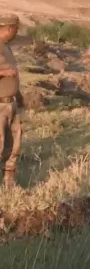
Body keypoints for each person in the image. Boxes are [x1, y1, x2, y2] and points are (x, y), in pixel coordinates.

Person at [0, 14, 23, 188]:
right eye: (16, 28)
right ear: (9, 28)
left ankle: (9, 183)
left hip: (11, 103)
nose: (17, 32)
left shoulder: (6, 47)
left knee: (13, 144)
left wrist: (19, 96)